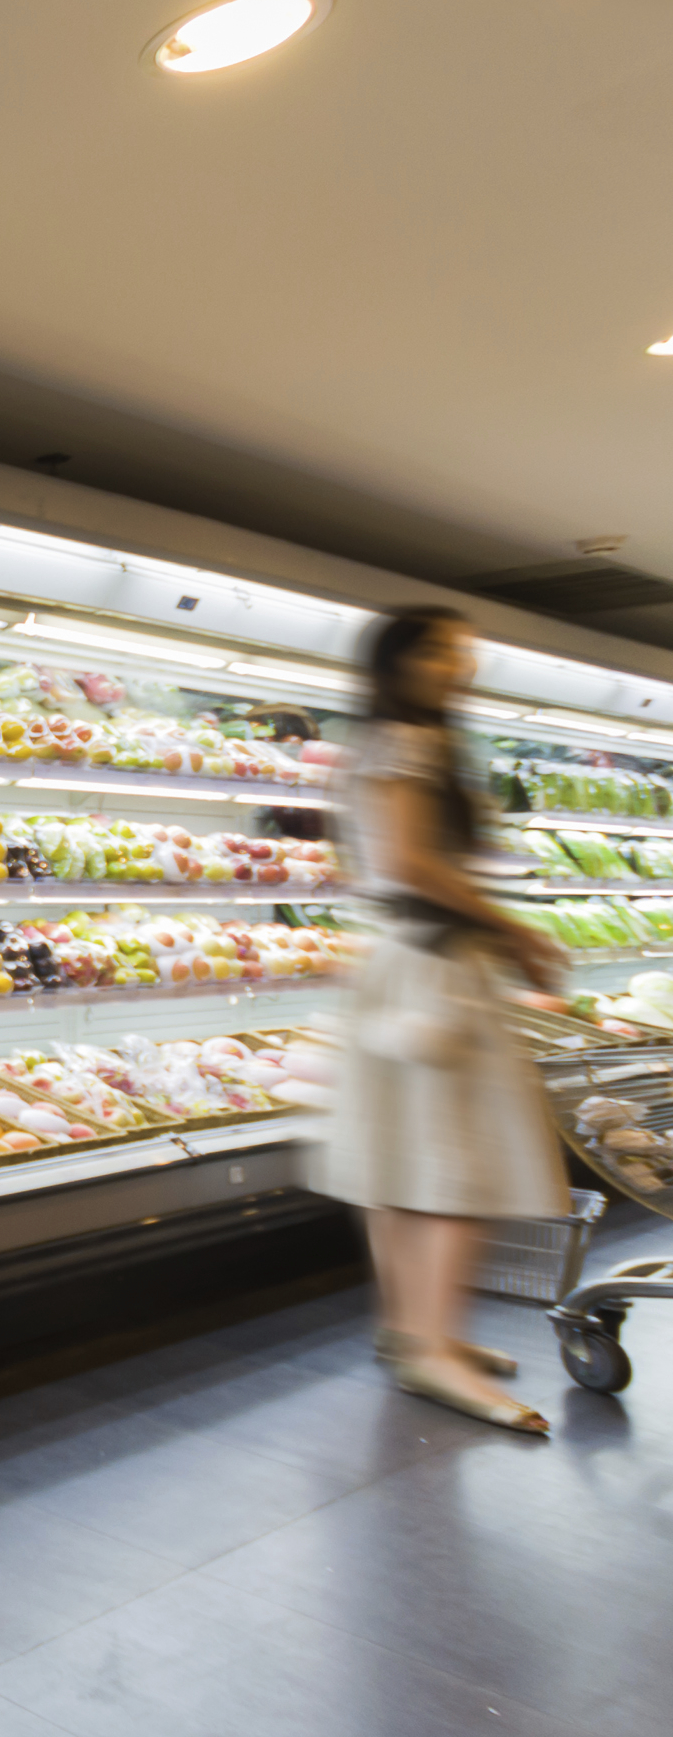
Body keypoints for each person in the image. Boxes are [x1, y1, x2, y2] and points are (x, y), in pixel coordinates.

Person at [322, 605, 567, 1434]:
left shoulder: (385, 741)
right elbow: (407, 860)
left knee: (402, 1160)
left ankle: (412, 1332)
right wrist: (515, 929)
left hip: (405, 964)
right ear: (397, 660)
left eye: (465, 651)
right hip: (434, 971)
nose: (459, 665)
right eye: (440, 650)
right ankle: (434, 1348)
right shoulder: (409, 742)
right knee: (453, 1166)